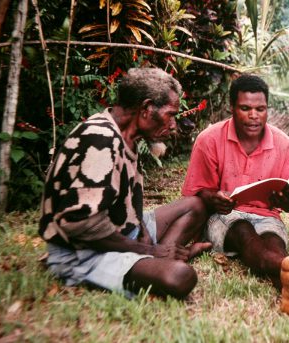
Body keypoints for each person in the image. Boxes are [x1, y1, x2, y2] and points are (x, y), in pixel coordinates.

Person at [39, 68, 211, 299]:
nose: (172, 125)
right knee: (180, 277)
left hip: (122, 232)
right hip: (82, 252)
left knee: (195, 205)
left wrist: (143, 231)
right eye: (170, 114)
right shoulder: (100, 140)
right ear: (147, 108)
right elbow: (82, 224)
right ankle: (161, 258)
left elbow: (125, 199)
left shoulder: (126, 135)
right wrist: (149, 250)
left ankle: (163, 255)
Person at [181, 74, 289, 315]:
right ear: (232, 108)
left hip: (268, 216)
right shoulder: (209, 139)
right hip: (224, 217)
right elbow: (197, 192)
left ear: (267, 109)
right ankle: (287, 268)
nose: (254, 115)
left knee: (273, 240)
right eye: (245, 108)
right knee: (244, 231)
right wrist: (214, 198)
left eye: (260, 109)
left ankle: (288, 284)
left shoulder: (283, 144)